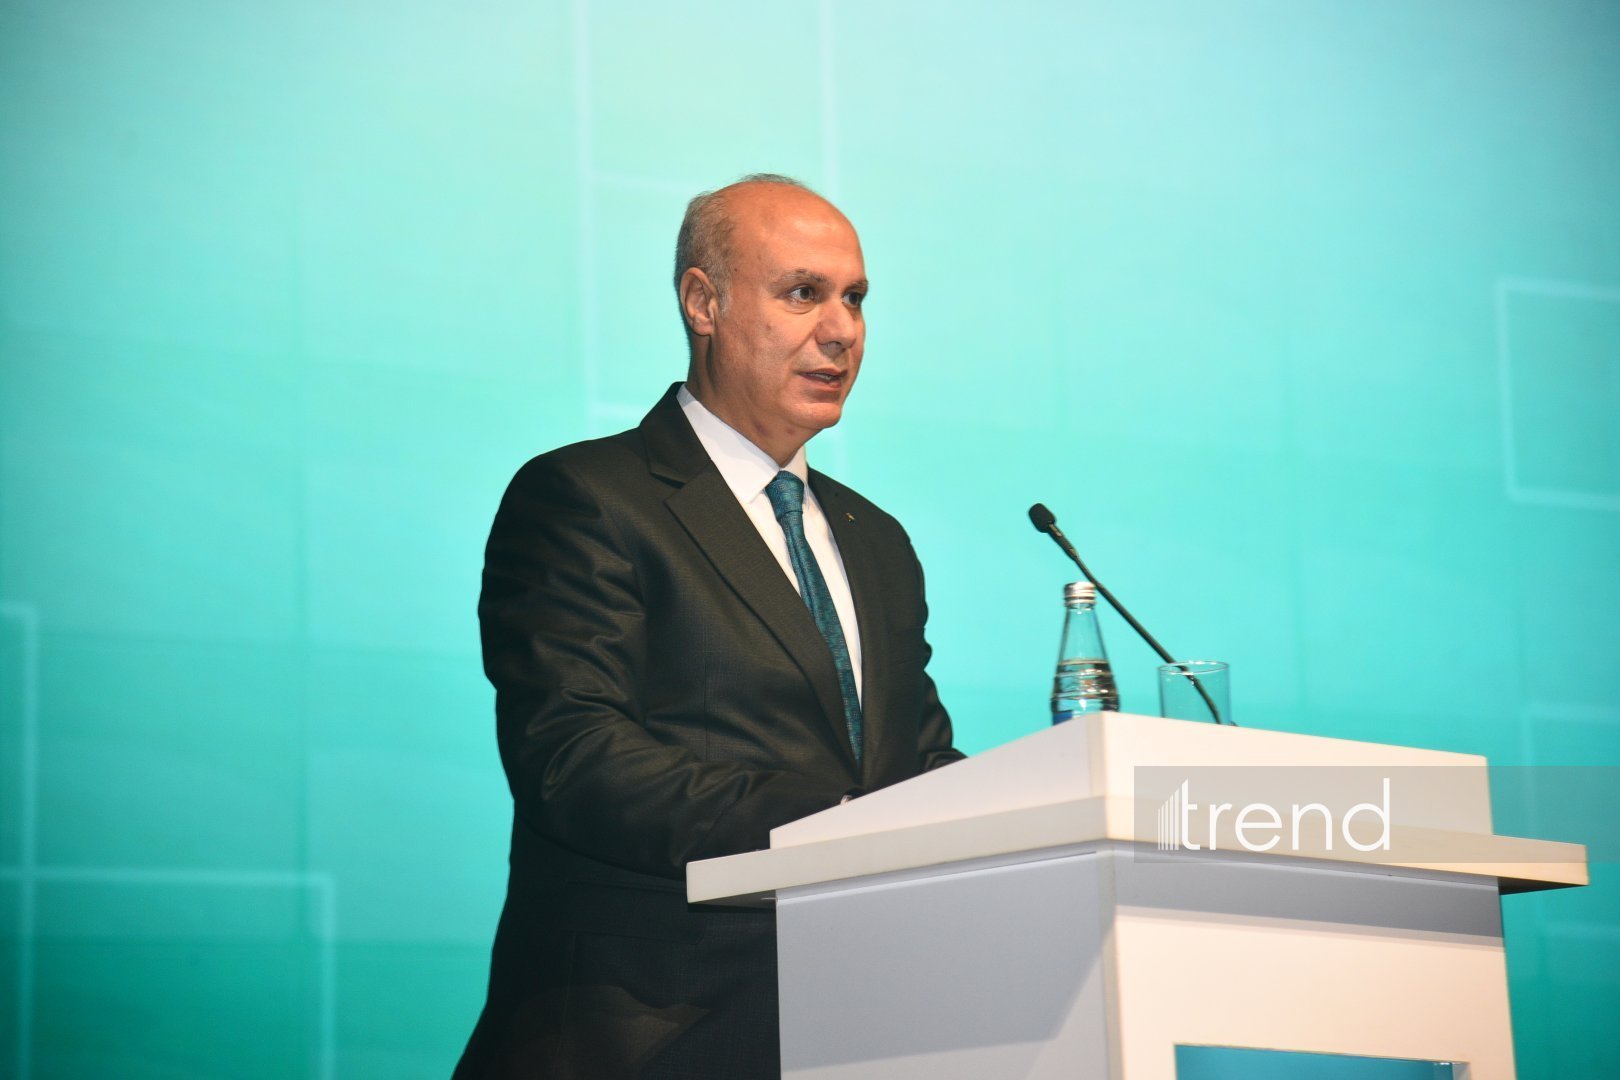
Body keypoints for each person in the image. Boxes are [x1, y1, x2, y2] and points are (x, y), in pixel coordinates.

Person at [455, 174, 963, 1079]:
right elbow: (575, 757)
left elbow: (913, 761)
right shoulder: (588, 498)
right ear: (703, 303)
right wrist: (836, 826)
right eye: (803, 293)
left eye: (854, 298)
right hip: (645, 1034)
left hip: (855, 1031)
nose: (841, 330)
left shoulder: (875, 540)